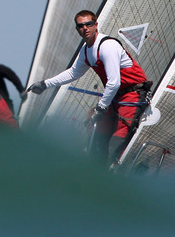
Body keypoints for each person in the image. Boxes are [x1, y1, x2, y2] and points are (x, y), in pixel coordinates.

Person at [26, 10, 149, 162]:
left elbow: (114, 81)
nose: (85, 28)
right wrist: (45, 84)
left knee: (121, 133)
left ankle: (113, 169)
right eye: (80, 26)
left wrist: (102, 106)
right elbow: (73, 73)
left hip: (133, 94)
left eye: (88, 24)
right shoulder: (86, 50)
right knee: (97, 129)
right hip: (115, 96)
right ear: (77, 29)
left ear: (96, 25)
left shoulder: (107, 46)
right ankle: (94, 168)